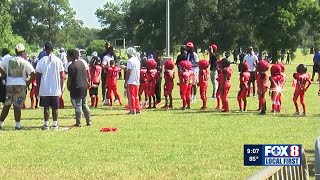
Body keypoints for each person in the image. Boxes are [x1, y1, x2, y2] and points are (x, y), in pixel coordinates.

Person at [0, 44, 36, 130]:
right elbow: (33, 73)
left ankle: (0, 123)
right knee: (17, 105)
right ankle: (17, 125)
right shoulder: (25, 62)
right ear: (23, 52)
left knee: (7, 105)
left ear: (15, 51)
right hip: (21, 85)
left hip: (9, 85)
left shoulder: (8, 60)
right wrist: (28, 82)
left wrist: (4, 74)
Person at [36, 43, 64, 130]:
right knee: (55, 107)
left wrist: (38, 89)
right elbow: (61, 75)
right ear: (53, 49)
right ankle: (55, 124)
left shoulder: (41, 61)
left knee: (46, 107)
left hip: (44, 88)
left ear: (45, 49)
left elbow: (38, 76)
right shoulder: (58, 60)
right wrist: (61, 87)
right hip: (55, 87)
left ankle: (46, 124)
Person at [67, 49, 91, 126]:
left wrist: (68, 86)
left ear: (71, 56)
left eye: (68, 55)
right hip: (84, 86)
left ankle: (78, 122)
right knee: (84, 104)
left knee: (78, 105)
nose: (67, 57)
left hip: (76, 87)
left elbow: (70, 79)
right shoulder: (82, 63)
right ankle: (88, 121)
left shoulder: (71, 66)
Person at [125, 47, 141, 115]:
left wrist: (126, 80)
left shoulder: (130, 61)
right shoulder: (137, 60)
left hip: (131, 80)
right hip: (137, 80)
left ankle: (132, 109)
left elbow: (129, 71)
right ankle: (137, 109)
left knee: (131, 96)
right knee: (136, 95)